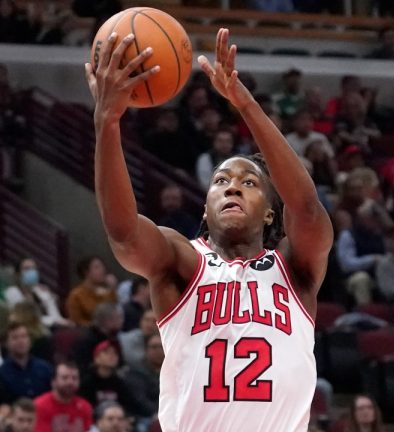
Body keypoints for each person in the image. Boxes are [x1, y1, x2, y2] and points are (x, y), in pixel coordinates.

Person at [84, 27, 333, 432]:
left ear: (271, 212)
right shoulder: (181, 261)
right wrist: (108, 123)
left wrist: (245, 105)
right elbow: (124, 234)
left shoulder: (294, 268)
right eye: (220, 181)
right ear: (206, 205)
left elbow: (306, 208)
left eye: (249, 182)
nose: (232, 185)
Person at [0, 322, 53, 402]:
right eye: (15, 338)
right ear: (6, 343)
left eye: (24, 336)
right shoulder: (2, 374)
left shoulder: (45, 368)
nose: (20, 341)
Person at [34, 362, 93, 432]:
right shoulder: (40, 406)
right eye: (65, 378)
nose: (70, 382)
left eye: (74, 378)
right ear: (53, 382)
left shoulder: (85, 407)